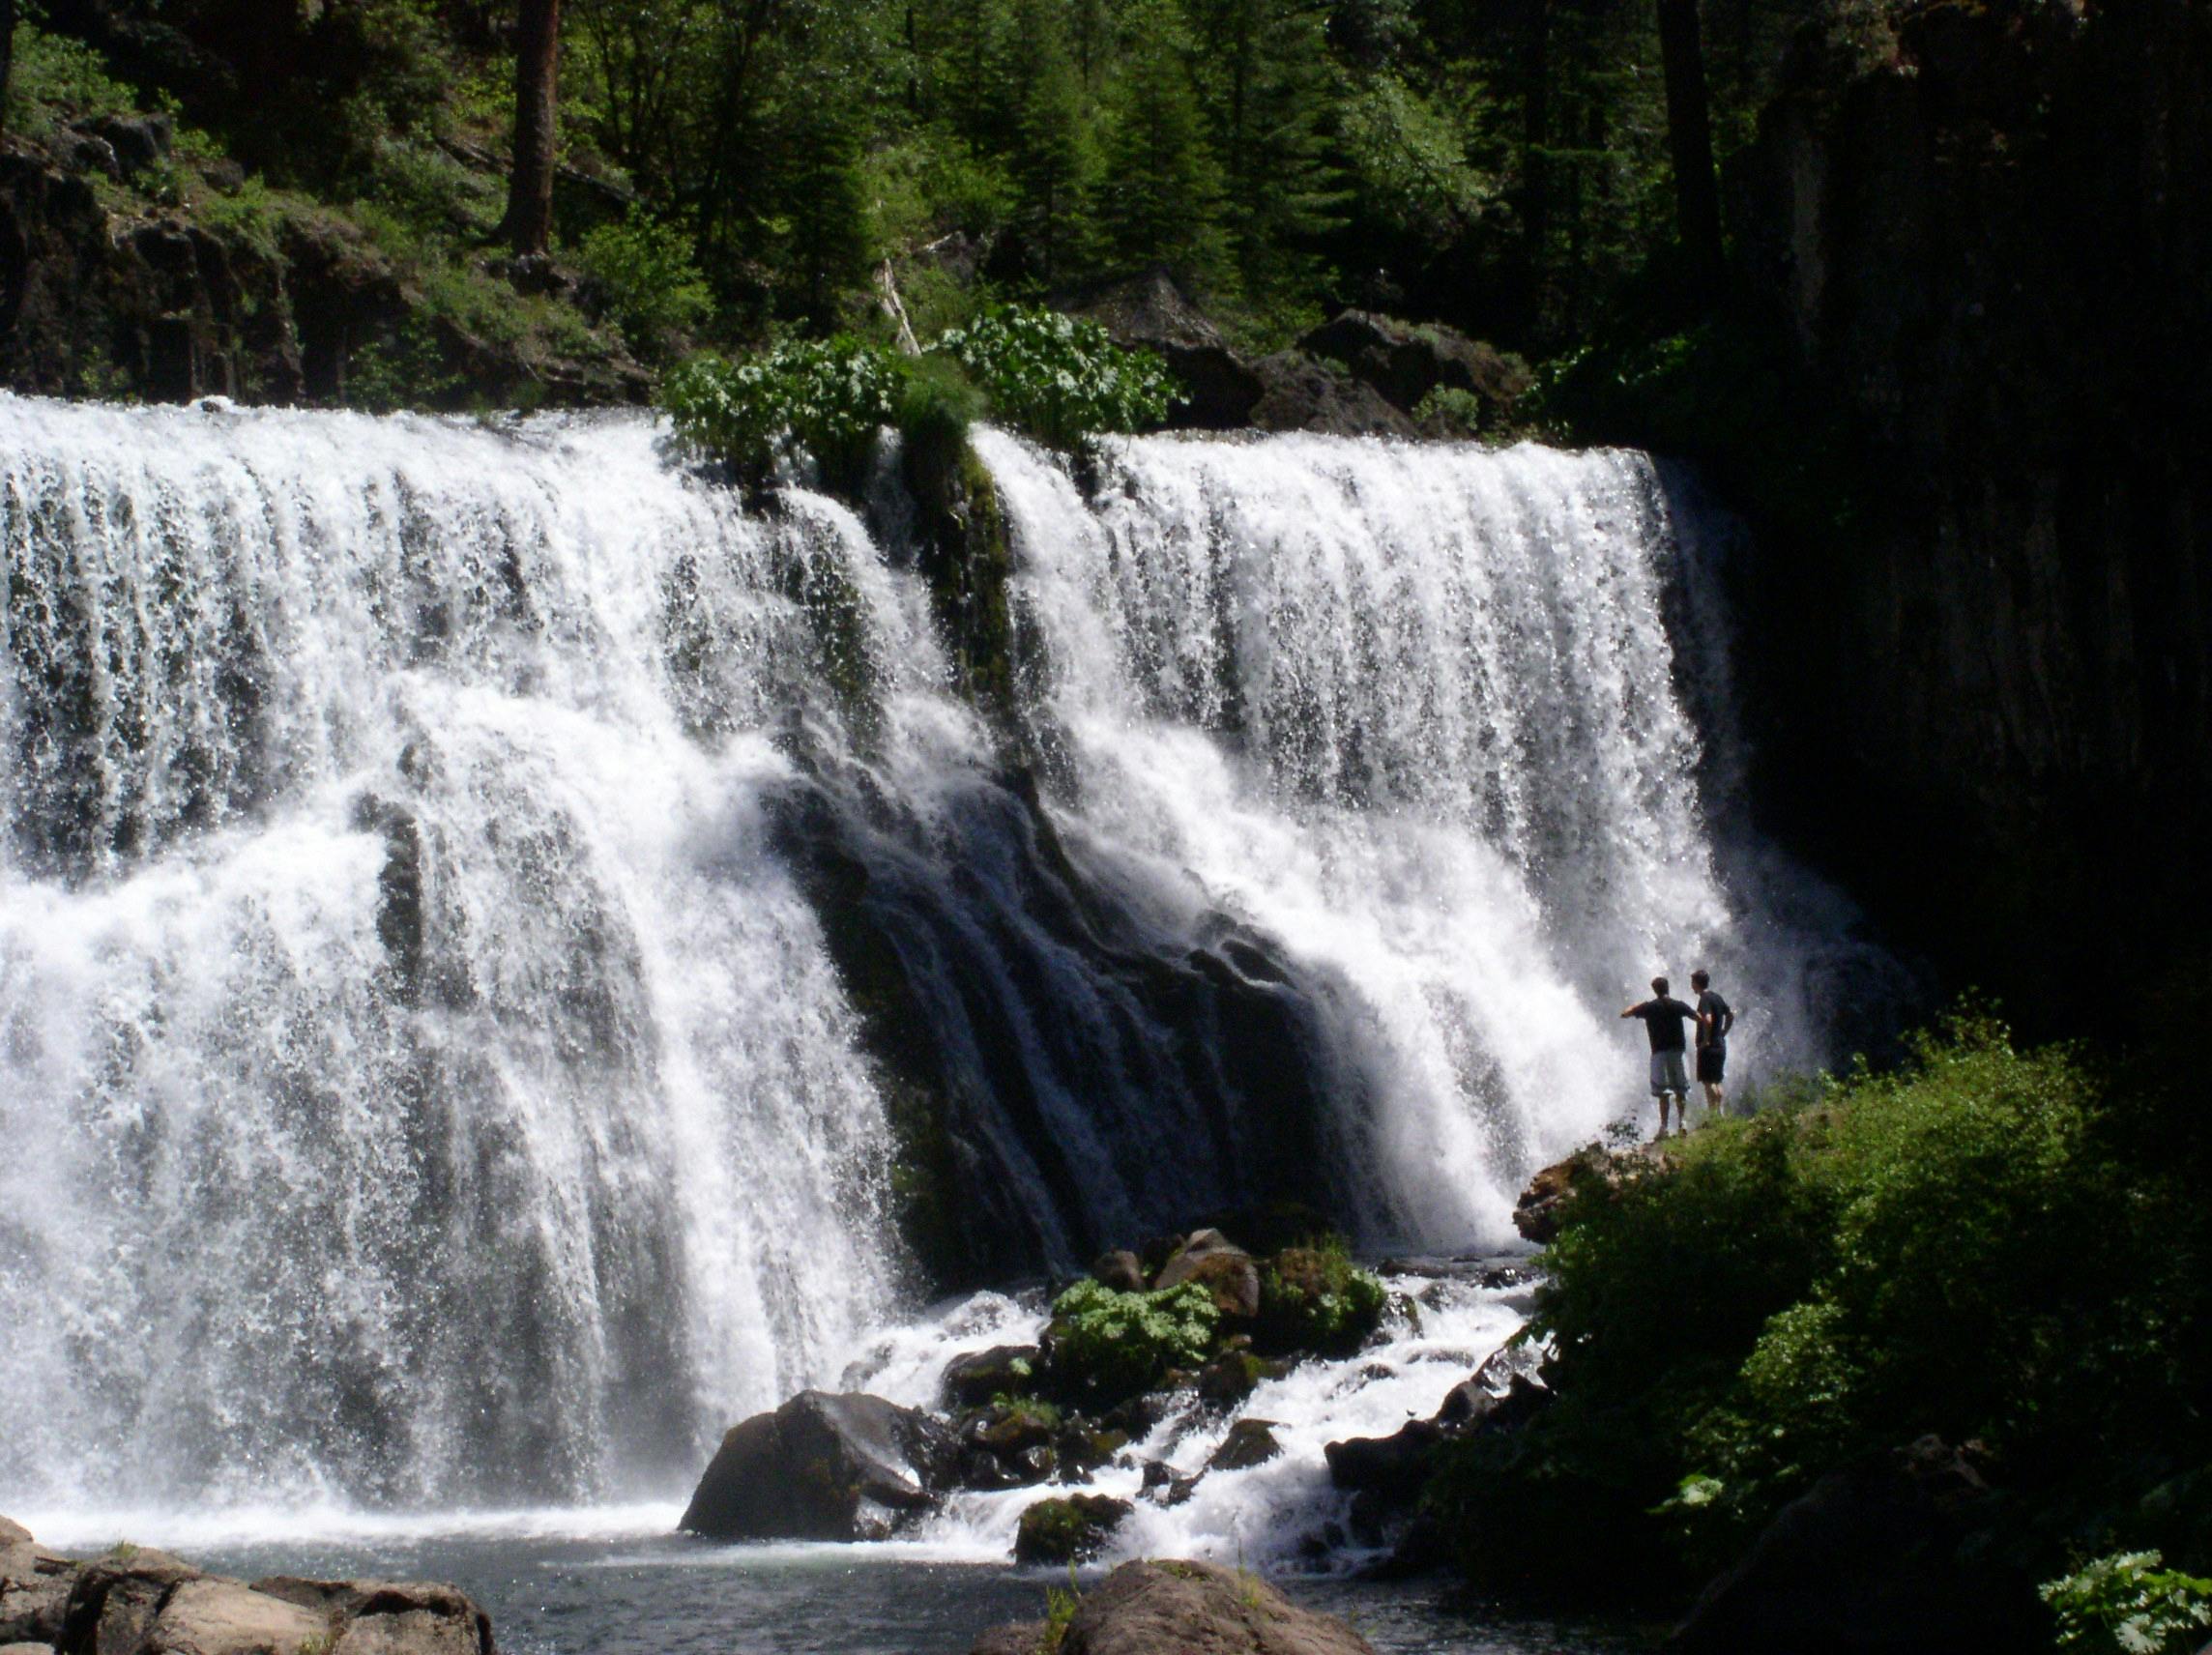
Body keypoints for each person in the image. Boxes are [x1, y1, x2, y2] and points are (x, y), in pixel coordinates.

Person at [1621, 975, 1703, 1138]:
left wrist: (1641, 1005)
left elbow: (1625, 1014)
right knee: (1681, 1089)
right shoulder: (1677, 1005)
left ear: (1654, 990)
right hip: (1678, 1052)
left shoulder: (1649, 1007)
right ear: (1668, 989)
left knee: (1663, 1092)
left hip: (1659, 1053)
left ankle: (1664, 1127)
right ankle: (1682, 1123)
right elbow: (1698, 1018)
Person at [1691, 969, 1734, 1119]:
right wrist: (1724, 1032)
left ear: (1697, 983)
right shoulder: (1717, 997)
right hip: (1720, 1045)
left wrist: (1706, 1040)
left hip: (1708, 1048)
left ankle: (1713, 1117)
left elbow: (1707, 1019)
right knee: (1717, 1081)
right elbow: (1730, 1015)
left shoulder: (1705, 999)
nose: (1692, 986)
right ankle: (1719, 1114)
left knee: (1708, 1082)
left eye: (1692, 983)